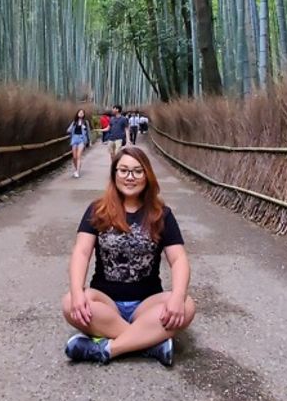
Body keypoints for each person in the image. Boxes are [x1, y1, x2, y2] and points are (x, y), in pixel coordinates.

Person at [61, 146, 196, 367]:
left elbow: (179, 259)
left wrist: (177, 296)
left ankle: (107, 348)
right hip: (106, 302)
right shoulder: (97, 210)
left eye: (137, 171)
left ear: (147, 176)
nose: (129, 177)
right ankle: (150, 343)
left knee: (186, 305)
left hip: (146, 304)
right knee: (69, 302)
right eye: (123, 170)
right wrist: (77, 293)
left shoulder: (162, 215)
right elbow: (81, 253)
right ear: (114, 174)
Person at [66, 109, 91, 177]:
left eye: (82, 113)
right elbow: (68, 130)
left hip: (82, 139)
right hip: (74, 139)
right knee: (74, 157)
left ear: (84, 114)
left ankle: (77, 171)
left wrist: (89, 141)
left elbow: (88, 132)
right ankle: (76, 168)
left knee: (78, 156)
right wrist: (71, 129)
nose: (81, 113)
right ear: (77, 113)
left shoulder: (85, 122)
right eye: (80, 112)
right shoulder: (74, 122)